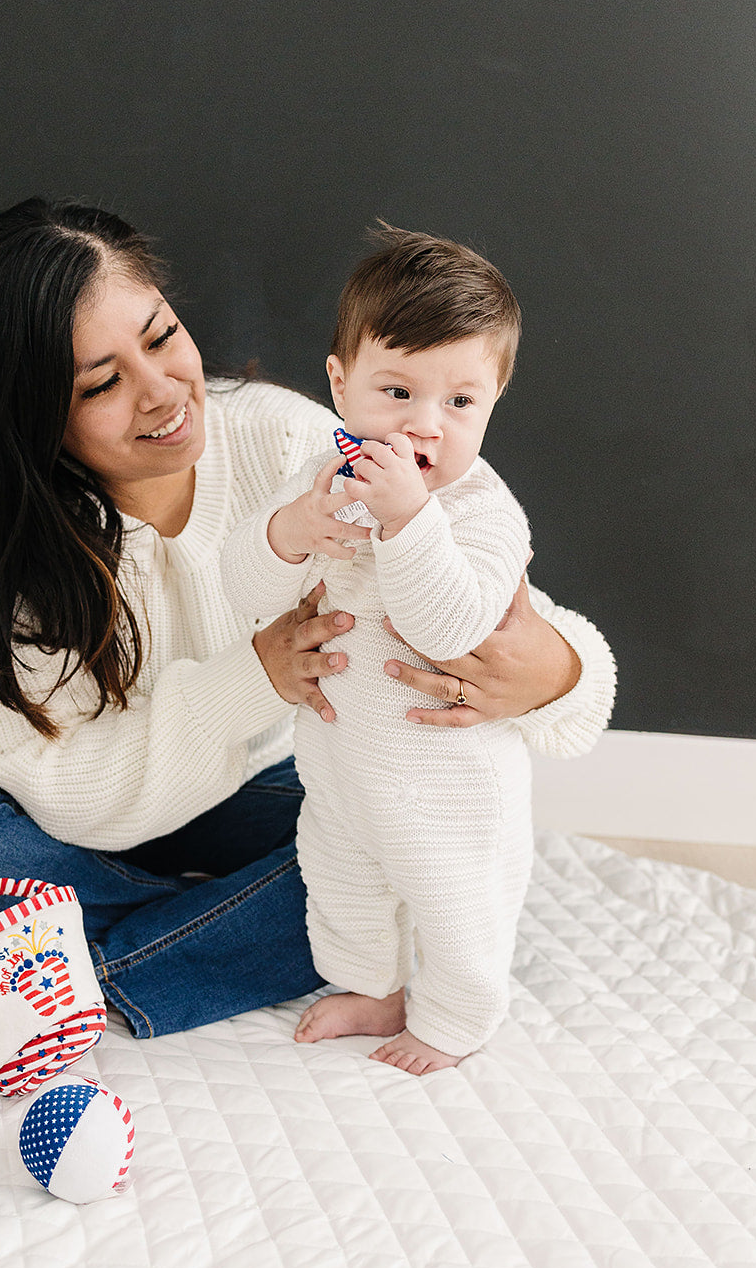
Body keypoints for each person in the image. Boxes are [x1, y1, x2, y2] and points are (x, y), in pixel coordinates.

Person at [0, 198, 616, 1043]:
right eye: (101, 382)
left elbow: (479, 593)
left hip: (268, 778)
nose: (163, 392)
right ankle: (226, 929)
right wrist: (254, 675)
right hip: (52, 806)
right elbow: (64, 793)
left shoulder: (287, 439)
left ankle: (76, 971)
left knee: (406, 822)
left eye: (162, 337)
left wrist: (556, 672)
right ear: (32, 417)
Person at [223, 227, 577, 1075]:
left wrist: (409, 520)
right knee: (342, 882)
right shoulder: (318, 478)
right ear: (340, 383)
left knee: (458, 907)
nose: (425, 425)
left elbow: (450, 628)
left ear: (495, 398)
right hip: (342, 760)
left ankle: (456, 1019)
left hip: (449, 783)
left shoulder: (482, 514)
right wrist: (289, 532)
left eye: (460, 402)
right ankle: (371, 987)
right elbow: (244, 591)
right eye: (396, 391)